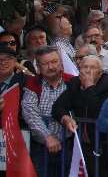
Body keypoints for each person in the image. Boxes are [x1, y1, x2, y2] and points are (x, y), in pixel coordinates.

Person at [22, 46, 72, 175]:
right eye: (45, 63)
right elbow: (30, 114)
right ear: (38, 67)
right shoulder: (32, 83)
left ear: (61, 62)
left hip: (69, 144)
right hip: (40, 147)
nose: (51, 67)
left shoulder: (73, 81)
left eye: (54, 62)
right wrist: (47, 137)